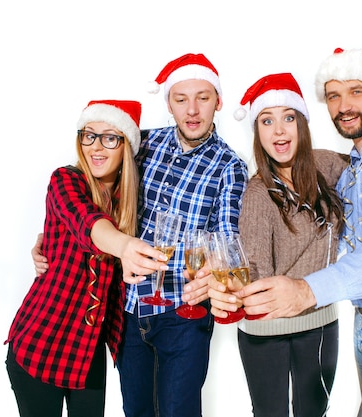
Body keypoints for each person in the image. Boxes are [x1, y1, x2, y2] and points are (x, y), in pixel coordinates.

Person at [211, 48, 362, 417]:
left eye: (357, 91)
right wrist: (227, 296)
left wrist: (308, 290)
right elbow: (248, 265)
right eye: (333, 95)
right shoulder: (346, 167)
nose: (344, 105)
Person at [33, 53, 249, 417]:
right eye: (181, 99)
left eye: (203, 98)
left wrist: (214, 271)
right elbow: (96, 184)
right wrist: (52, 236)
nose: (192, 110)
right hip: (127, 311)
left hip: (183, 314)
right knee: (136, 410)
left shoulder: (231, 167)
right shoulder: (143, 144)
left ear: (219, 102)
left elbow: (226, 238)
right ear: (169, 103)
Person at [5, 100, 168, 417]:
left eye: (110, 137)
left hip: (88, 351)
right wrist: (123, 246)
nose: (97, 146)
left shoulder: (130, 200)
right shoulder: (65, 181)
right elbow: (89, 223)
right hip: (41, 342)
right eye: (89, 135)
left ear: (126, 146)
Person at [230, 72, 347, 417]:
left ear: (302, 124)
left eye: (288, 118)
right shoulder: (258, 195)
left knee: (315, 412)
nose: (279, 131)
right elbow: (254, 276)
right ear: (258, 132)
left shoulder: (326, 164)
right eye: (267, 121)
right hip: (267, 332)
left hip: (321, 324)